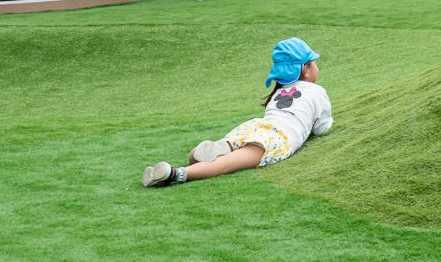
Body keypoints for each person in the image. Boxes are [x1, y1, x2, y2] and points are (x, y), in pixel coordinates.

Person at [142, 37, 333, 187]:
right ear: (305, 69)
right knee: (224, 165)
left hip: (255, 126)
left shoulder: (278, 92)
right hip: (278, 138)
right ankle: (175, 174)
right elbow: (321, 128)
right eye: (314, 63)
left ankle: (205, 152)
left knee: (224, 149)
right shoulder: (317, 91)